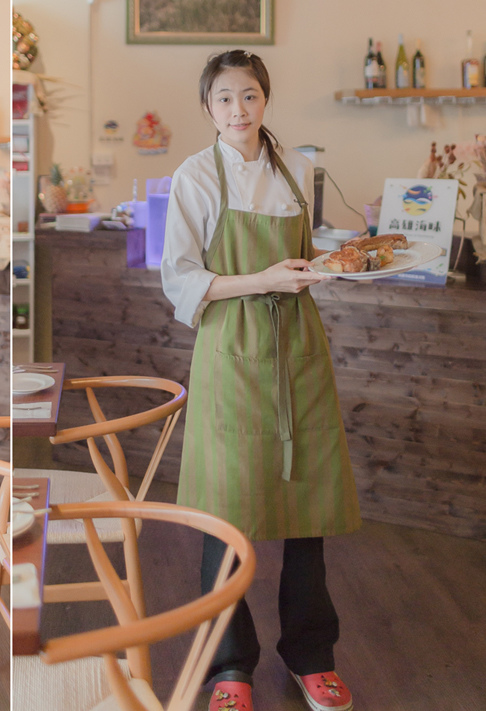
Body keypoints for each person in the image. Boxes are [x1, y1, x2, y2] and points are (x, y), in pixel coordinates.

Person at [161, 50, 360, 711]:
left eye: (248, 96)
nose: (238, 110)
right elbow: (180, 277)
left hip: (298, 348)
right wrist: (266, 279)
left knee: (309, 511)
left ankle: (312, 656)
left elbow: (310, 250)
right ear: (207, 108)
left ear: (264, 100)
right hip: (231, 350)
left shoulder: (298, 168)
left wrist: (326, 266)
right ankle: (229, 667)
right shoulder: (194, 175)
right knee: (227, 515)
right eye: (224, 99)